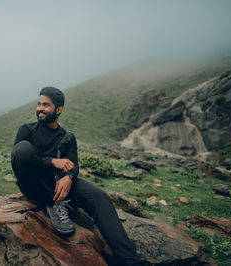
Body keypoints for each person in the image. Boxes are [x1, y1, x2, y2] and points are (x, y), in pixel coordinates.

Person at [11, 86, 144, 265]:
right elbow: (19, 157)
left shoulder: (67, 137)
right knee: (23, 148)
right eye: (39, 104)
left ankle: (130, 260)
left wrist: (69, 177)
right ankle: (54, 203)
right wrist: (52, 161)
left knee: (100, 197)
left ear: (59, 109)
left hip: (58, 184)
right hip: (34, 184)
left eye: (46, 105)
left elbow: (74, 165)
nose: (40, 108)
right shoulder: (26, 130)